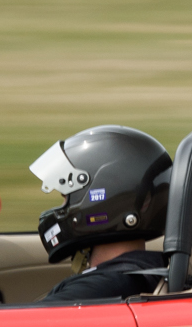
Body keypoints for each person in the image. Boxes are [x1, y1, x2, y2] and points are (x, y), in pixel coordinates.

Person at [29, 126, 173, 304]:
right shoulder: (145, 270)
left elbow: (21, 321)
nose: (61, 208)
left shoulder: (102, 287)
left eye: (65, 197)